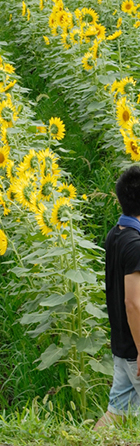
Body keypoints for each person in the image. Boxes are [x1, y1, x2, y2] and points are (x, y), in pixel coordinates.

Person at [96, 167, 140, 428]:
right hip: (135, 350)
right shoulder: (135, 244)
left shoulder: (116, 234)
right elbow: (133, 303)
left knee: (116, 414)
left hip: (123, 348)